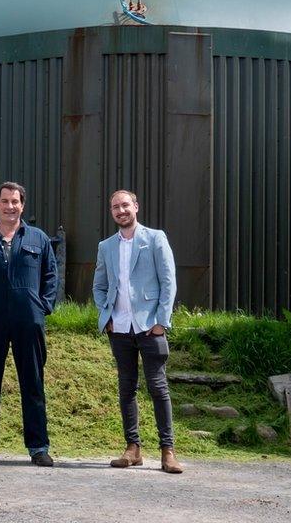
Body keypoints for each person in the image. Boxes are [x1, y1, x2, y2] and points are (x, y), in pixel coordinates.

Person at [0, 181, 58, 467]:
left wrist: (42, 308)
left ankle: (38, 447)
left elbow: (51, 277)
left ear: (22, 205)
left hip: (28, 321)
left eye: (15, 201)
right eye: (5, 201)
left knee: (33, 384)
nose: (10, 206)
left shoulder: (38, 239)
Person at [92, 189, 183, 473]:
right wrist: (105, 314)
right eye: (115, 207)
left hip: (149, 328)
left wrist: (161, 321)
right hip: (118, 329)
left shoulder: (155, 238)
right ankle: (133, 449)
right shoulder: (106, 246)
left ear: (136, 207)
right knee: (126, 388)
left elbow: (169, 282)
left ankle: (167, 451)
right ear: (111, 212)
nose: (121, 211)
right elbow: (99, 285)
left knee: (158, 388)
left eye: (125, 205)